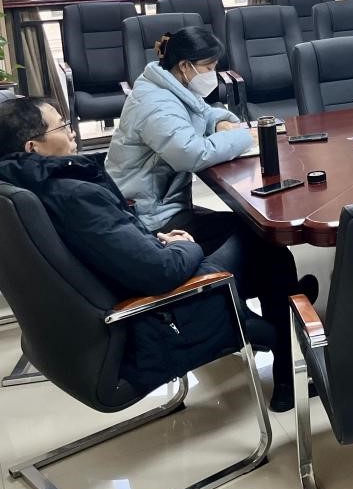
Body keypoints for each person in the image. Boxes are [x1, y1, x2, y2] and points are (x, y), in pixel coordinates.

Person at [0, 98, 310, 411]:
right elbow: (161, 272)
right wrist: (184, 244)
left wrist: (152, 242)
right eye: (61, 126)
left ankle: (285, 308)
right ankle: (288, 360)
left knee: (259, 250)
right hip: (150, 324)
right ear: (32, 147)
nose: (71, 132)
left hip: (105, 310)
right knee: (262, 241)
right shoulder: (75, 197)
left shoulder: (18, 189)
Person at [105, 27, 254, 237]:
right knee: (253, 234)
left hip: (159, 204)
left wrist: (218, 122)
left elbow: (200, 112)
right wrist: (244, 137)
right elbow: (192, 154)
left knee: (250, 228)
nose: (213, 75)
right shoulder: (157, 104)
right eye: (208, 68)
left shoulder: (168, 85)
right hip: (147, 216)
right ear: (185, 65)